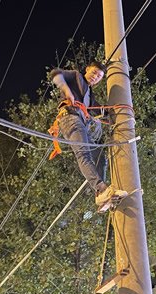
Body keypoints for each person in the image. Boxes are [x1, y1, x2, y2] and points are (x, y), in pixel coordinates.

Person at [49, 61, 127, 211]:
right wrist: (67, 91)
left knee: (100, 157)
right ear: (87, 70)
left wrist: (123, 114)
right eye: (93, 73)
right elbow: (55, 74)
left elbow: (102, 113)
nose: (95, 77)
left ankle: (100, 195)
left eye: (98, 76)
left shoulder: (90, 96)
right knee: (83, 154)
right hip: (70, 118)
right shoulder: (76, 76)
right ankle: (102, 188)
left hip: (81, 123)